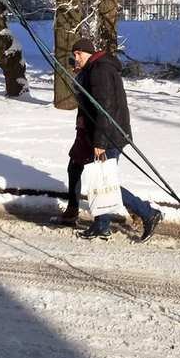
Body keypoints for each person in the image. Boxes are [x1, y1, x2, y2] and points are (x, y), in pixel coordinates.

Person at [60, 36, 162, 242]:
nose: (76, 58)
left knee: (107, 184)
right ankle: (101, 225)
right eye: (74, 55)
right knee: (99, 179)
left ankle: (148, 213)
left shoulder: (100, 71)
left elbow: (104, 108)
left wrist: (100, 142)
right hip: (104, 134)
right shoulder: (96, 68)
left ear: (87, 53)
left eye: (78, 54)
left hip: (108, 135)